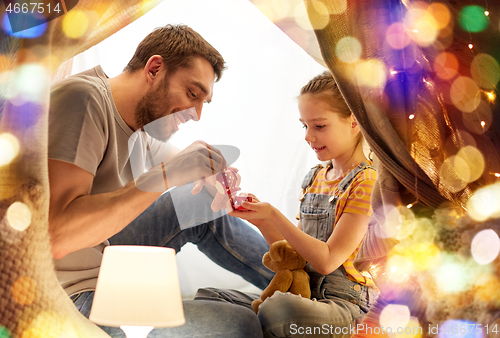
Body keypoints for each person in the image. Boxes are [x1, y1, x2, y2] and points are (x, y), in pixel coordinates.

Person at [48, 24, 272, 337]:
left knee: (199, 200)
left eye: (203, 103)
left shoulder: (141, 127)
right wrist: (167, 175)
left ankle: (304, 286)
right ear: (154, 68)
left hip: (107, 264)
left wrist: (210, 172)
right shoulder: (82, 100)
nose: (196, 114)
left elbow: (186, 165)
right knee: (240, 324)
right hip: (65, 290)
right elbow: (57, 238)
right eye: (192, 94)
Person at [199, 71, 379, 337]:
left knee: (279, 310)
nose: (308, 136)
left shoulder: (367, 181)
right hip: (303, 293)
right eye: (304, 125)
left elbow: (327, 262)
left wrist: (274, 215)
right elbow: (295, 259)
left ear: (353, 121)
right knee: (210, 297)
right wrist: (260, 219)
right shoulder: (315, 177)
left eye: (319, 126)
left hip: (345, 306)